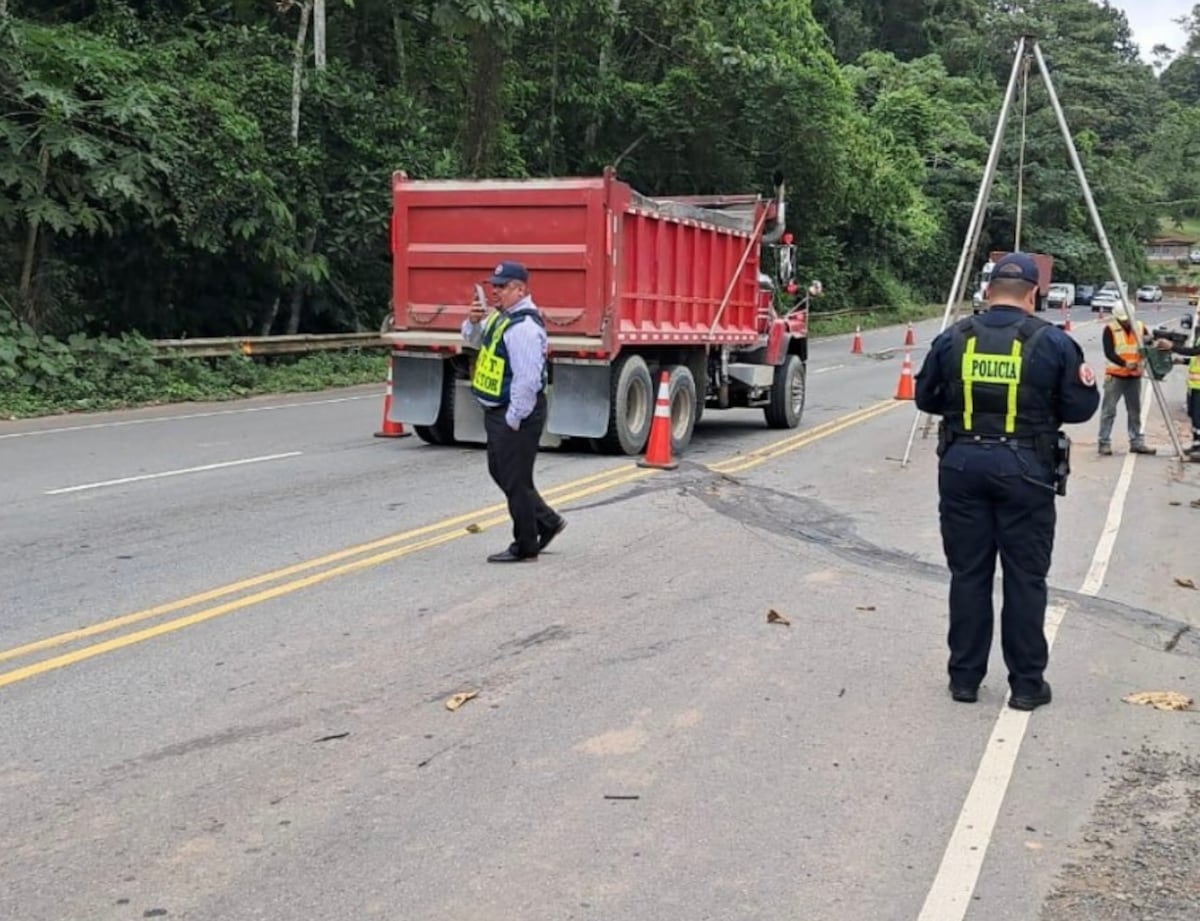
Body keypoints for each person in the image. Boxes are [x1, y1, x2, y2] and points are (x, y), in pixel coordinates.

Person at [915, 252, 1100, 711]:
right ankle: (1026, 685)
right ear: (1034, 292)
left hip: (961, 466)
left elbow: (925, 396)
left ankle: (964, 679)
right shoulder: (1054, 343)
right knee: (1025, 578)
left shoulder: (953, 337)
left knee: (969, 573)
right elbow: (1079, 409)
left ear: (987, 289)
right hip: (1026, 470)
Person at [462, 261, 566, 563]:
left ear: (520, 289)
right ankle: (547, 521)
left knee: (516, 481)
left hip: (516, 412)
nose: (496, 292)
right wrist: (473, 322)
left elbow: (528, 379)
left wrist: (514, 418)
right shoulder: (501, 318)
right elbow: (474, 341)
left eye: (503, 287)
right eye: (494, 286)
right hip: (498, 409)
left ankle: (525, 545)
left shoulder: (524, 328)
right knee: (503, 473)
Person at [1097, 303, 1161, 456]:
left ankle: (1136, 442)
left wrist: (1152, 348)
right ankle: (1104, 442)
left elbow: (1148, 346)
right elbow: (1109, 352)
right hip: (1115, 375)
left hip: (1134, 376)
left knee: (1134, 411)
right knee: (1109, 411)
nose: (1126, 322)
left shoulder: (1140, 327)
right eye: (1123, 319)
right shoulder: (1110, 329)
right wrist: (1125, 363)